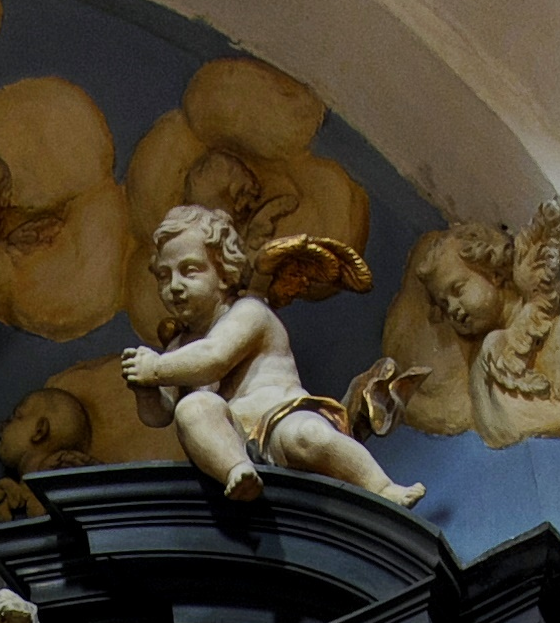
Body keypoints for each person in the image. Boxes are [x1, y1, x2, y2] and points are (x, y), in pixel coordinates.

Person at [121, 202, 424, 511]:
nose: (174, 285)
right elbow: (161, 415)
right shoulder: (180, 346)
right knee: (193, 408)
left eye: (190, 270)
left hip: (282, 421)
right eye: (163, 275)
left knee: (308, 437)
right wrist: (144, 388)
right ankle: (236, 471)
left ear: (224, 272)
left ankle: (382, 487)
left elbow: (213, 358)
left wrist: (156, 369)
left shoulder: (249, 313)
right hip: (237, 441)